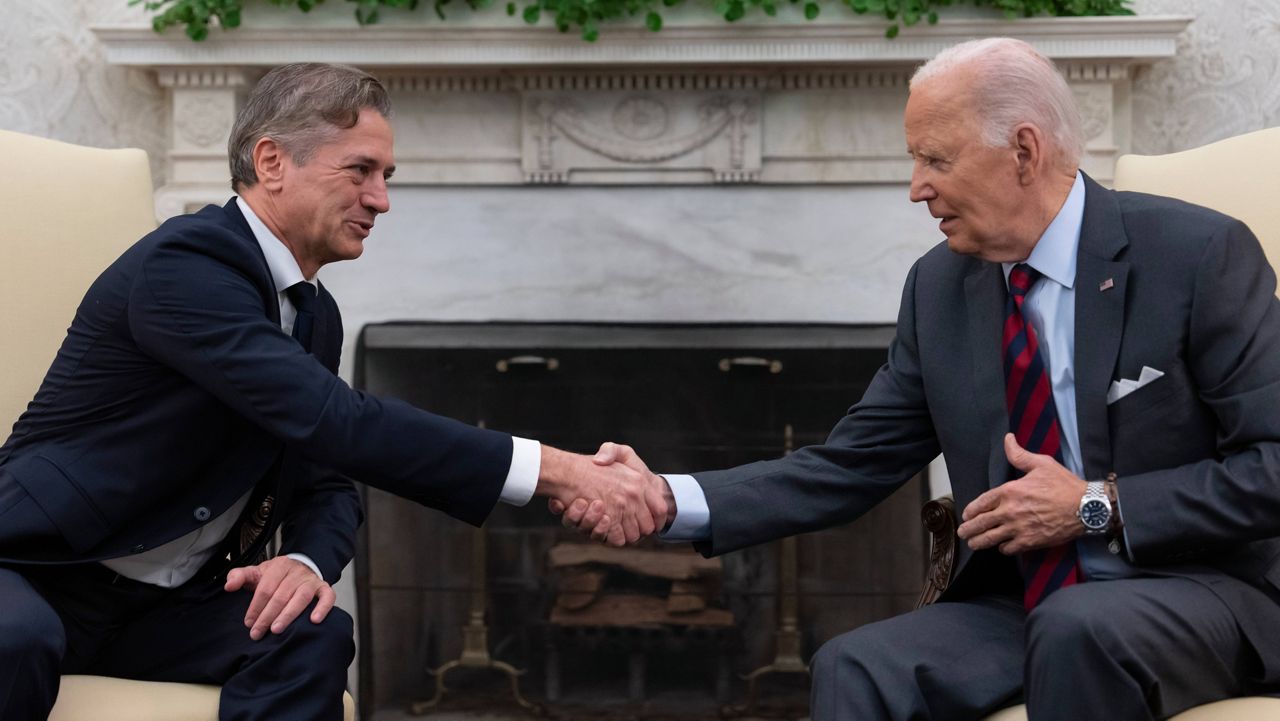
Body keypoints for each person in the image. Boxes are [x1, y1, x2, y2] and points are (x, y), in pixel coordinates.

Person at [558, 38, 1280, 720]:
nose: (915, 188)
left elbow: (1272, 467)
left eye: (936, 158)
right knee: (856, 664)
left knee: (1078, 626)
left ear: (1023, 151)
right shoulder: (940, 289)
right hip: (1030, 603)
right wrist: (665, 498)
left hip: (1203, 589)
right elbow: (848, 464)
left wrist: (1096, 506)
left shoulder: (1198, 255)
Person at [0, 62, 665, 721]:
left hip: (161, 609)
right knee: (18, 637)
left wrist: (303, 558)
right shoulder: (187, 266)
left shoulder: (314, 314)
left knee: (309, 632)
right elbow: (336, 420)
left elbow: (326, 479)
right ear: (271, 162)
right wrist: (558, 471)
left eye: (386, 177)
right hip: (37, 567)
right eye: (360, 170)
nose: (381, 200)